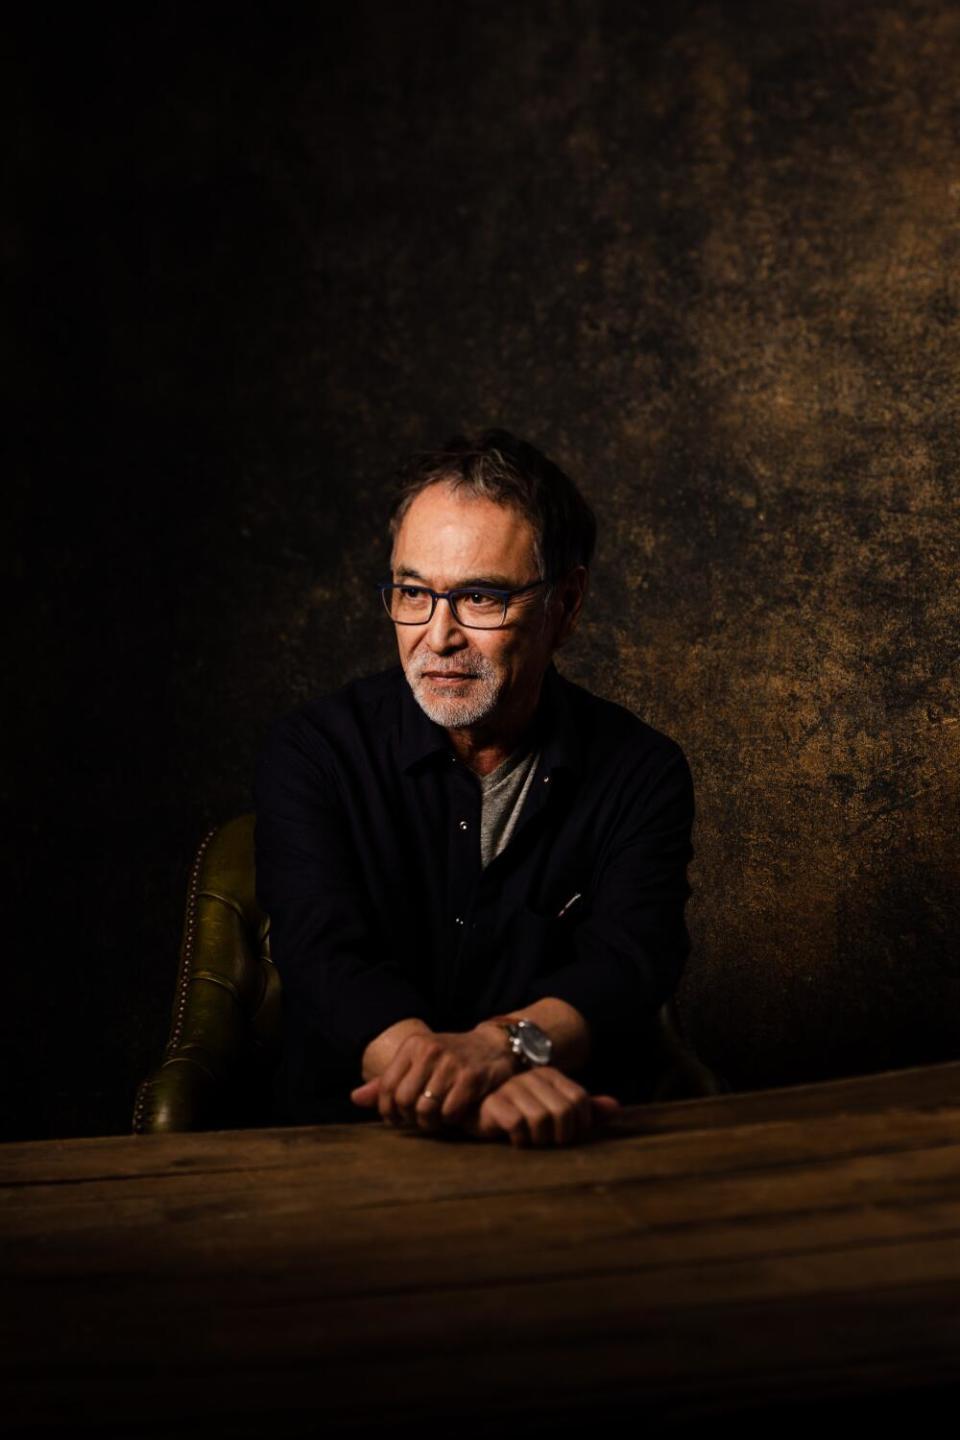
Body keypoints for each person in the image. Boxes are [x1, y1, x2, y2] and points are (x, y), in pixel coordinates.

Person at [253, 430, 694, 1146]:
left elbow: (630, 962)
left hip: (564, 1138)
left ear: (568, 604)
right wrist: (463, 1089)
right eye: (412, 592)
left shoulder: (641, 771)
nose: (439, 635)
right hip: (350, 1141)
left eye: (481, 597)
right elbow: (321, 953)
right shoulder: (313, 752)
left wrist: (501, 1047)